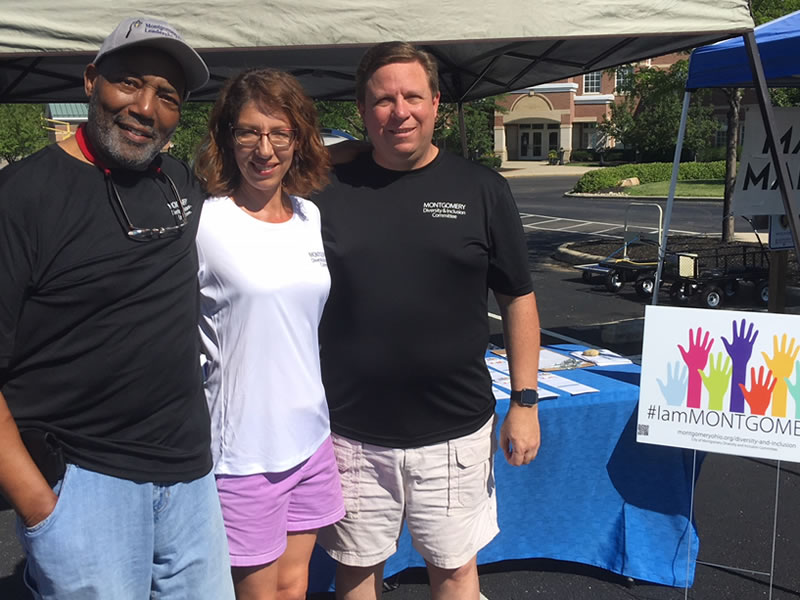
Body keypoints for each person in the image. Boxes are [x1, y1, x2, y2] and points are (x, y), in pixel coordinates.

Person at [0, 17, 235, 599]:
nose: (145, 108)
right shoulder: (22, 198)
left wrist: (361, 149)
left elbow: (274, 168)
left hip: (190, 477)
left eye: (167, 97)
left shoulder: (179, 180)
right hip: (85, 484)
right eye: (129, 84)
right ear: (90, 81)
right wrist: (39, 506)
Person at [313, 42, 542, 600]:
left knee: (456, 572)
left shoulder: (482, 189)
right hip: (350, 433)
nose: (400, 111)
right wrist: (335, 155)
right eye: (382, 100)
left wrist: (525, 403)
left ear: (436, 103)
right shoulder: (322, 189)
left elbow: (518, 298)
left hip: (455, 430)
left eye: (413, 96)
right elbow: (260, 158)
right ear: (363, 111)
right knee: (356, 573)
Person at [194, 68, 344, 600]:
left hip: (309, 438)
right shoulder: (206, 222)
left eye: (279, 133)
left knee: (294, 585)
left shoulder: (310, 216)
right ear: (227, 138)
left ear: (298, 139)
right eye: (248, 132)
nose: (265, 149)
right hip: (241, 452)